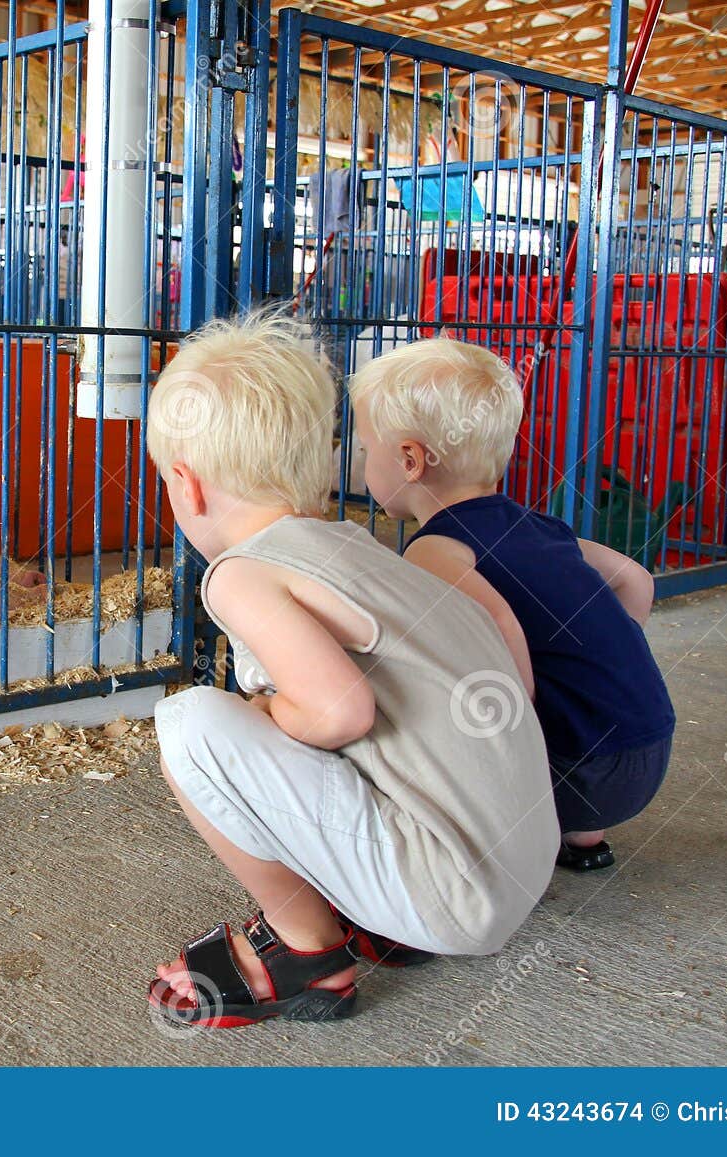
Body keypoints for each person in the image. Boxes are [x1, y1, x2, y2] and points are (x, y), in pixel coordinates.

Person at [145, 312, 557, 1029]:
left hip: (454, 896)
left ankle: (306, 952)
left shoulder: (240, 574)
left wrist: (269, 715)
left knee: (190, 724)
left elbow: (341, 713)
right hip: (519, 867)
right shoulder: (355, 547)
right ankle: (372, 917)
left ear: (188, 485)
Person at [349, 337, 674, 873]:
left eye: (365, 451)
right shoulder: (542, 527)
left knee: (425, 717)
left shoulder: (434, 547)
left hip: (569, 777)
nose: (364, 468)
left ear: (409, 460)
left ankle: (508, 846)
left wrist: (509, 732)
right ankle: (586, 842)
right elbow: (637, 583)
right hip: (648, 751)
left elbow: (500, 627)